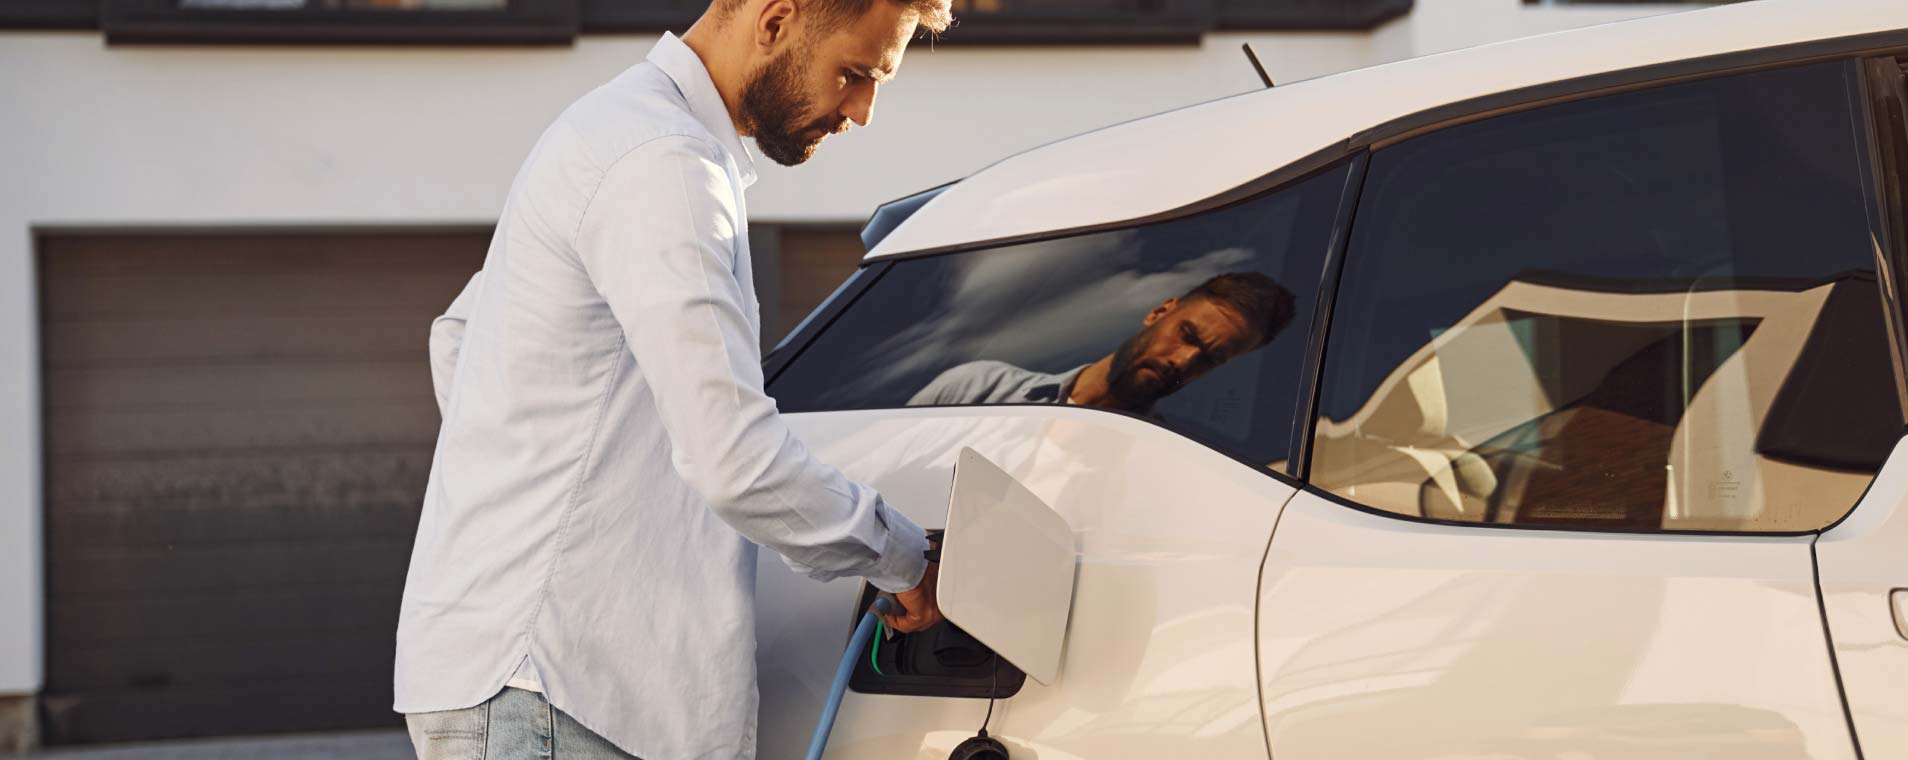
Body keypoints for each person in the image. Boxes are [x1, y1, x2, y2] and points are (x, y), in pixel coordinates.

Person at [394, 0, 950, 757]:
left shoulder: (613, 130)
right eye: (854, 74)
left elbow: (462, 340)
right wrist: (899, 555)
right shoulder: (665, 163)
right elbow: (735, 458)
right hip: (559, 690)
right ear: (777, 19)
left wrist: (559, 489)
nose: (862, 111)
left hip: (528, 678)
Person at [909, 272, 1297, 415]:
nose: (1183, 361)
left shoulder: (1156, 464)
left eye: (1210, 359)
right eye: (1188, 335)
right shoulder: (980, 388)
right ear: (1159, 312)